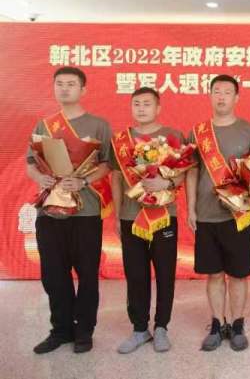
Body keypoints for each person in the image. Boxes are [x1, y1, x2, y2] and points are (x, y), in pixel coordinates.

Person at [26, 67, 112, 354]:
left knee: (87, 273)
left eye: (71, 84)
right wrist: (40, 179)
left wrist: (84, 181)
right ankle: (60, 330)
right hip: (49, 211)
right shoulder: (44, 125)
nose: (64, 88)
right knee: (53, 273)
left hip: (85, 212)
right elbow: (31, 163)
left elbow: (108, 164)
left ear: (83, 89)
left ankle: (84, 331)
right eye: (60, 84)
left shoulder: (99, 125)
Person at [186, 74, 250, 351]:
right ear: (210, 96)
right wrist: (191, 208)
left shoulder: (249, 131)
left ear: (236, 97)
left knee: (238, 274)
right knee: (213, 274)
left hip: (238, 215)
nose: (221, 97)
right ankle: (217, 323)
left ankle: (238, 324)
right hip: (206, 214)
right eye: (216, 91)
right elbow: (191, 172)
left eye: (227, 92)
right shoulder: (198, 132)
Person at [110, 87, 185, 353]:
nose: (141, 108)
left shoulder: (173, 136)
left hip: (164, 215)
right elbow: (116, 178)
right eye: (136, 104)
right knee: (135, 274)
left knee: (165, 274)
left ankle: (162, 327)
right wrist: (118, 214)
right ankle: (139, 329)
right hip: (131, 216)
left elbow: (185, 172)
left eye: (147, 104)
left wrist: (166, 182)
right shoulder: (121, 140)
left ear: (158, 108)